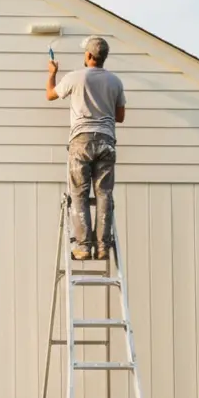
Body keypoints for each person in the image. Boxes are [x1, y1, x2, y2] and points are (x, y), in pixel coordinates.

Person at [46, 35, 125, 260]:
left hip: (81, 141)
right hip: (107, 141)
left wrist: (52, 73)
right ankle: (102, 247)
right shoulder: (115, 82)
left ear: (89, 55)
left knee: (79, 193)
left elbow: (50, 95)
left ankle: (82, 247)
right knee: (104, 194)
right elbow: (120, 116)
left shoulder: (75, 77)